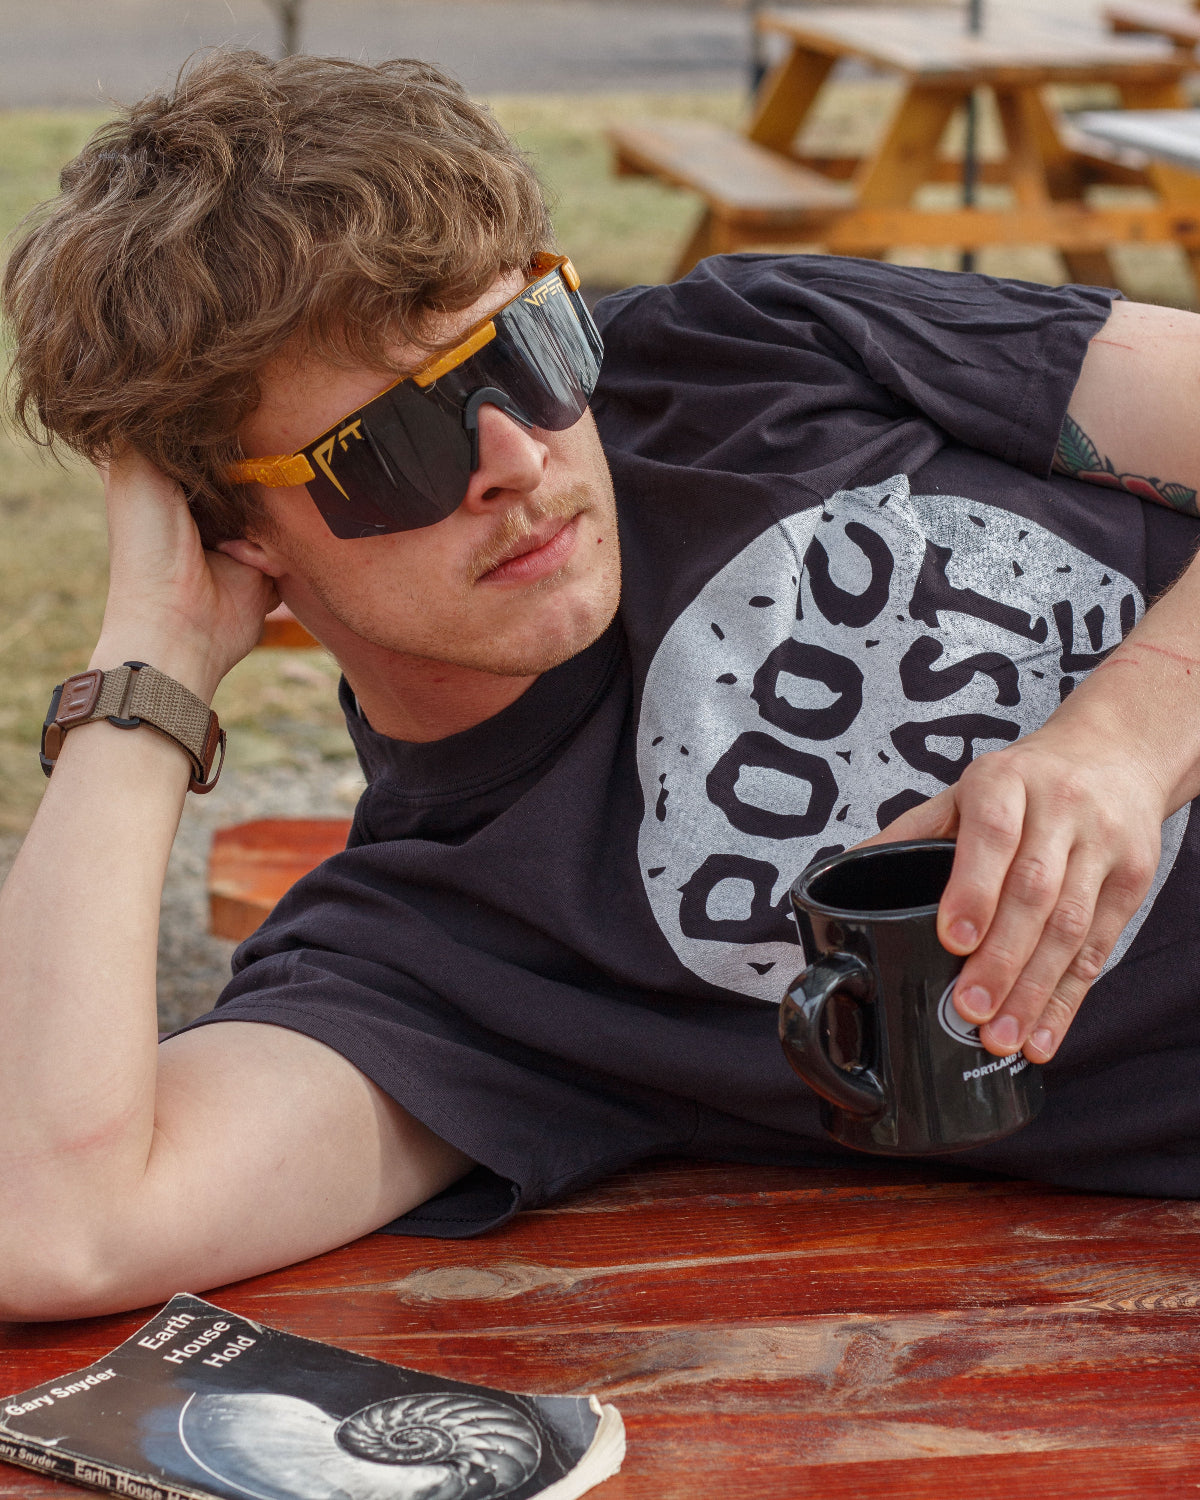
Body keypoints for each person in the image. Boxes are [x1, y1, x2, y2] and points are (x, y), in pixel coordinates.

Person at [3, 49, 1200, 1324]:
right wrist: (148, 663)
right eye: (389, 447)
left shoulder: (748, 348)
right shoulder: (447, 960)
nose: (516, 456)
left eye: (525, 348)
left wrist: (1129, 735)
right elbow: (49, 1223)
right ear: (236, 534)